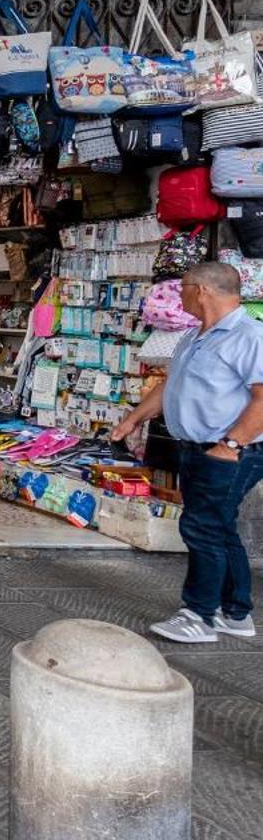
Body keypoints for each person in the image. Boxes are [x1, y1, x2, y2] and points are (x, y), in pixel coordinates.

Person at [113, 261, 263, 644]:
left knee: (202, 527)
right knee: (218, 526)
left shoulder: (249, 336)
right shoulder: (195, 336)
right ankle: (236, 612)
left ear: (203, 290)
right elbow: (169, 386)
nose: (178, 295)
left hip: (231, 452)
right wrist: (134, 419)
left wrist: (230, 445)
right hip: (197, 449)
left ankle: (198, 615)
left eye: (182, 288)